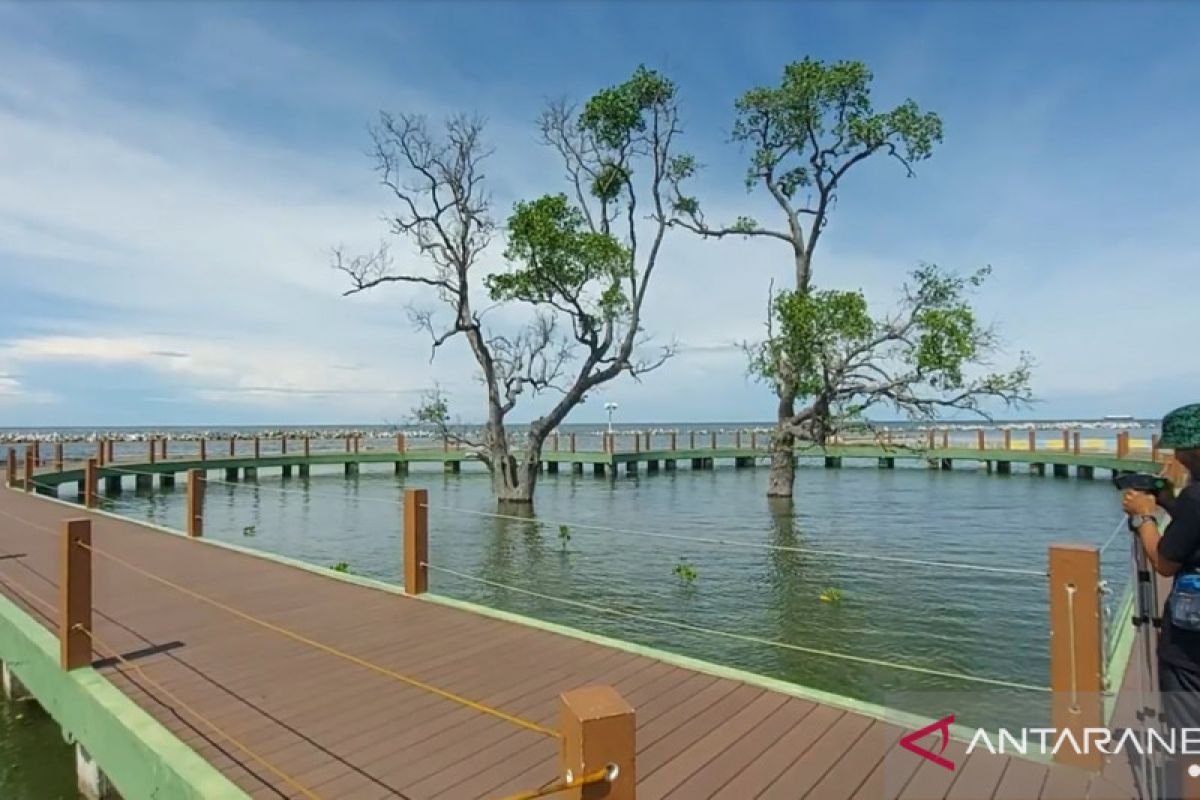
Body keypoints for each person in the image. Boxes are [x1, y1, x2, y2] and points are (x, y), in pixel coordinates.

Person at [1123, 403, 1200, 799]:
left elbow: (1165, 561)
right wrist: (1170, 500)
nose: (1174, 458)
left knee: (1191, 738)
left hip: (1191, 647)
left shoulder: (1196, 497)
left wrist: (1143, 517)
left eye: (1179, 451)